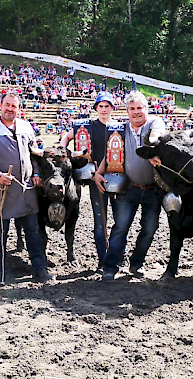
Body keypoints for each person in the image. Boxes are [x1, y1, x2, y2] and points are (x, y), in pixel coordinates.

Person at [0, 92, 53, 283]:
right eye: (7, 105)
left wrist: (35, 173)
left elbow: (34, 154)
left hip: (26, 189)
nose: (10, 109)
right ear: (0, 105)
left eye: (14, 106)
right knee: (0, 232)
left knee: (33, 231)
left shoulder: (26, 127)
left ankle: (39, 269)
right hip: (3, 190)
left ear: (19, 108)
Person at [97, 91, 165, 282]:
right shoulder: (120, 129)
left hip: (153, 188)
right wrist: (98, 173)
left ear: (147, 109)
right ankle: (110, 266)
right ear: (127, 111)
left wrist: (153, 145)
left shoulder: (155, 123)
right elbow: (110, 153)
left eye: (140, 108)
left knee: (150, 228)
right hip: (129, 187)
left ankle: (137, 263)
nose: (136, 112)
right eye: (132, 109)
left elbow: (156, 135)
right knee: (120, 227)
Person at [60, 91, 116, 272]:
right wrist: (63, 151)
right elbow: (67, 137)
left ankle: (115, 255)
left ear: (112, 108)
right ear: (96, 108)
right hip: (95, 179)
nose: (104, 109)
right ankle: (102, 259)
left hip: (118, 177)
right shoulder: (88, 126)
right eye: (101, 106)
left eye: (107, 106)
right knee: (100, 221)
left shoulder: (120, 127)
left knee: (120, 221)